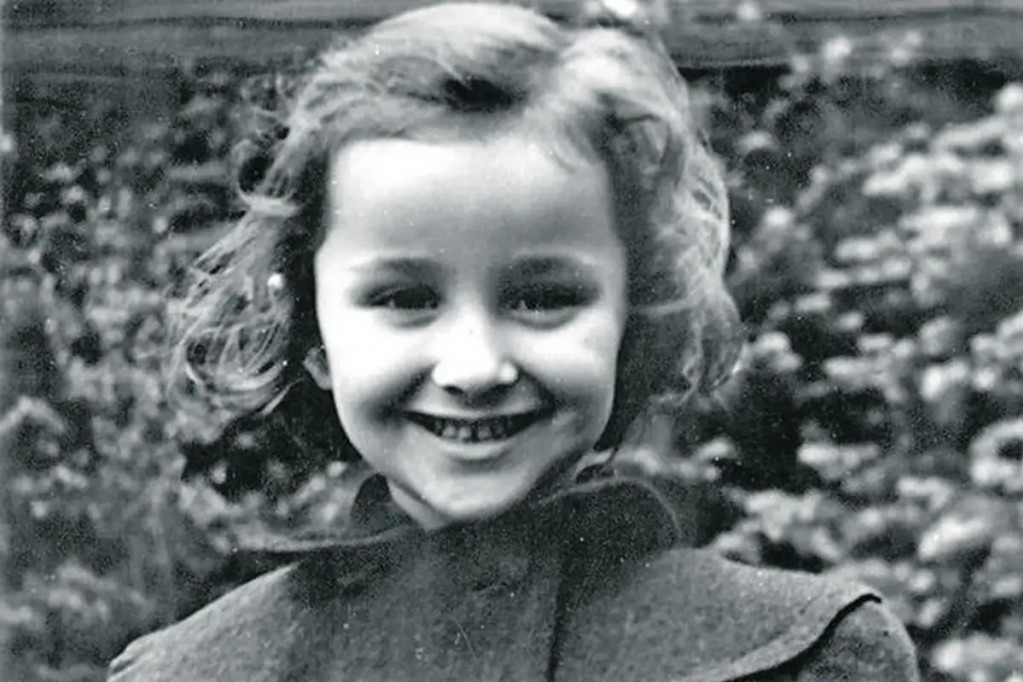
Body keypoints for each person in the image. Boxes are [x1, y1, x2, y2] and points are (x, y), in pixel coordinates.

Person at [108, 3, 919, 680]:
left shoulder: (805, 656)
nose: (474, 368)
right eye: (403, 299)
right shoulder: (188, 672)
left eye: (542, 299)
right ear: (313, 331)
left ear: (631, 316)